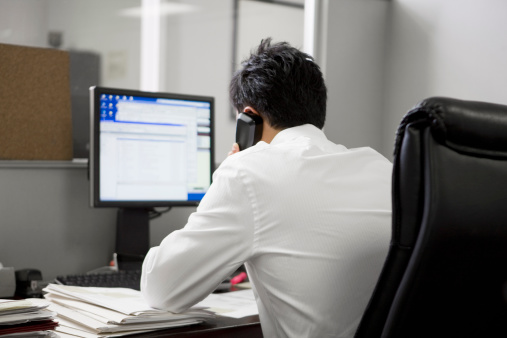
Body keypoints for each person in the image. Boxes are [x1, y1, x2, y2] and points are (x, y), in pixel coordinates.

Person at [141, 38, 392, 337]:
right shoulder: (381, 168)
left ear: (250, 118)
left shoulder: (248, 171)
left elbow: (162, 289)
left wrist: (228, 175)